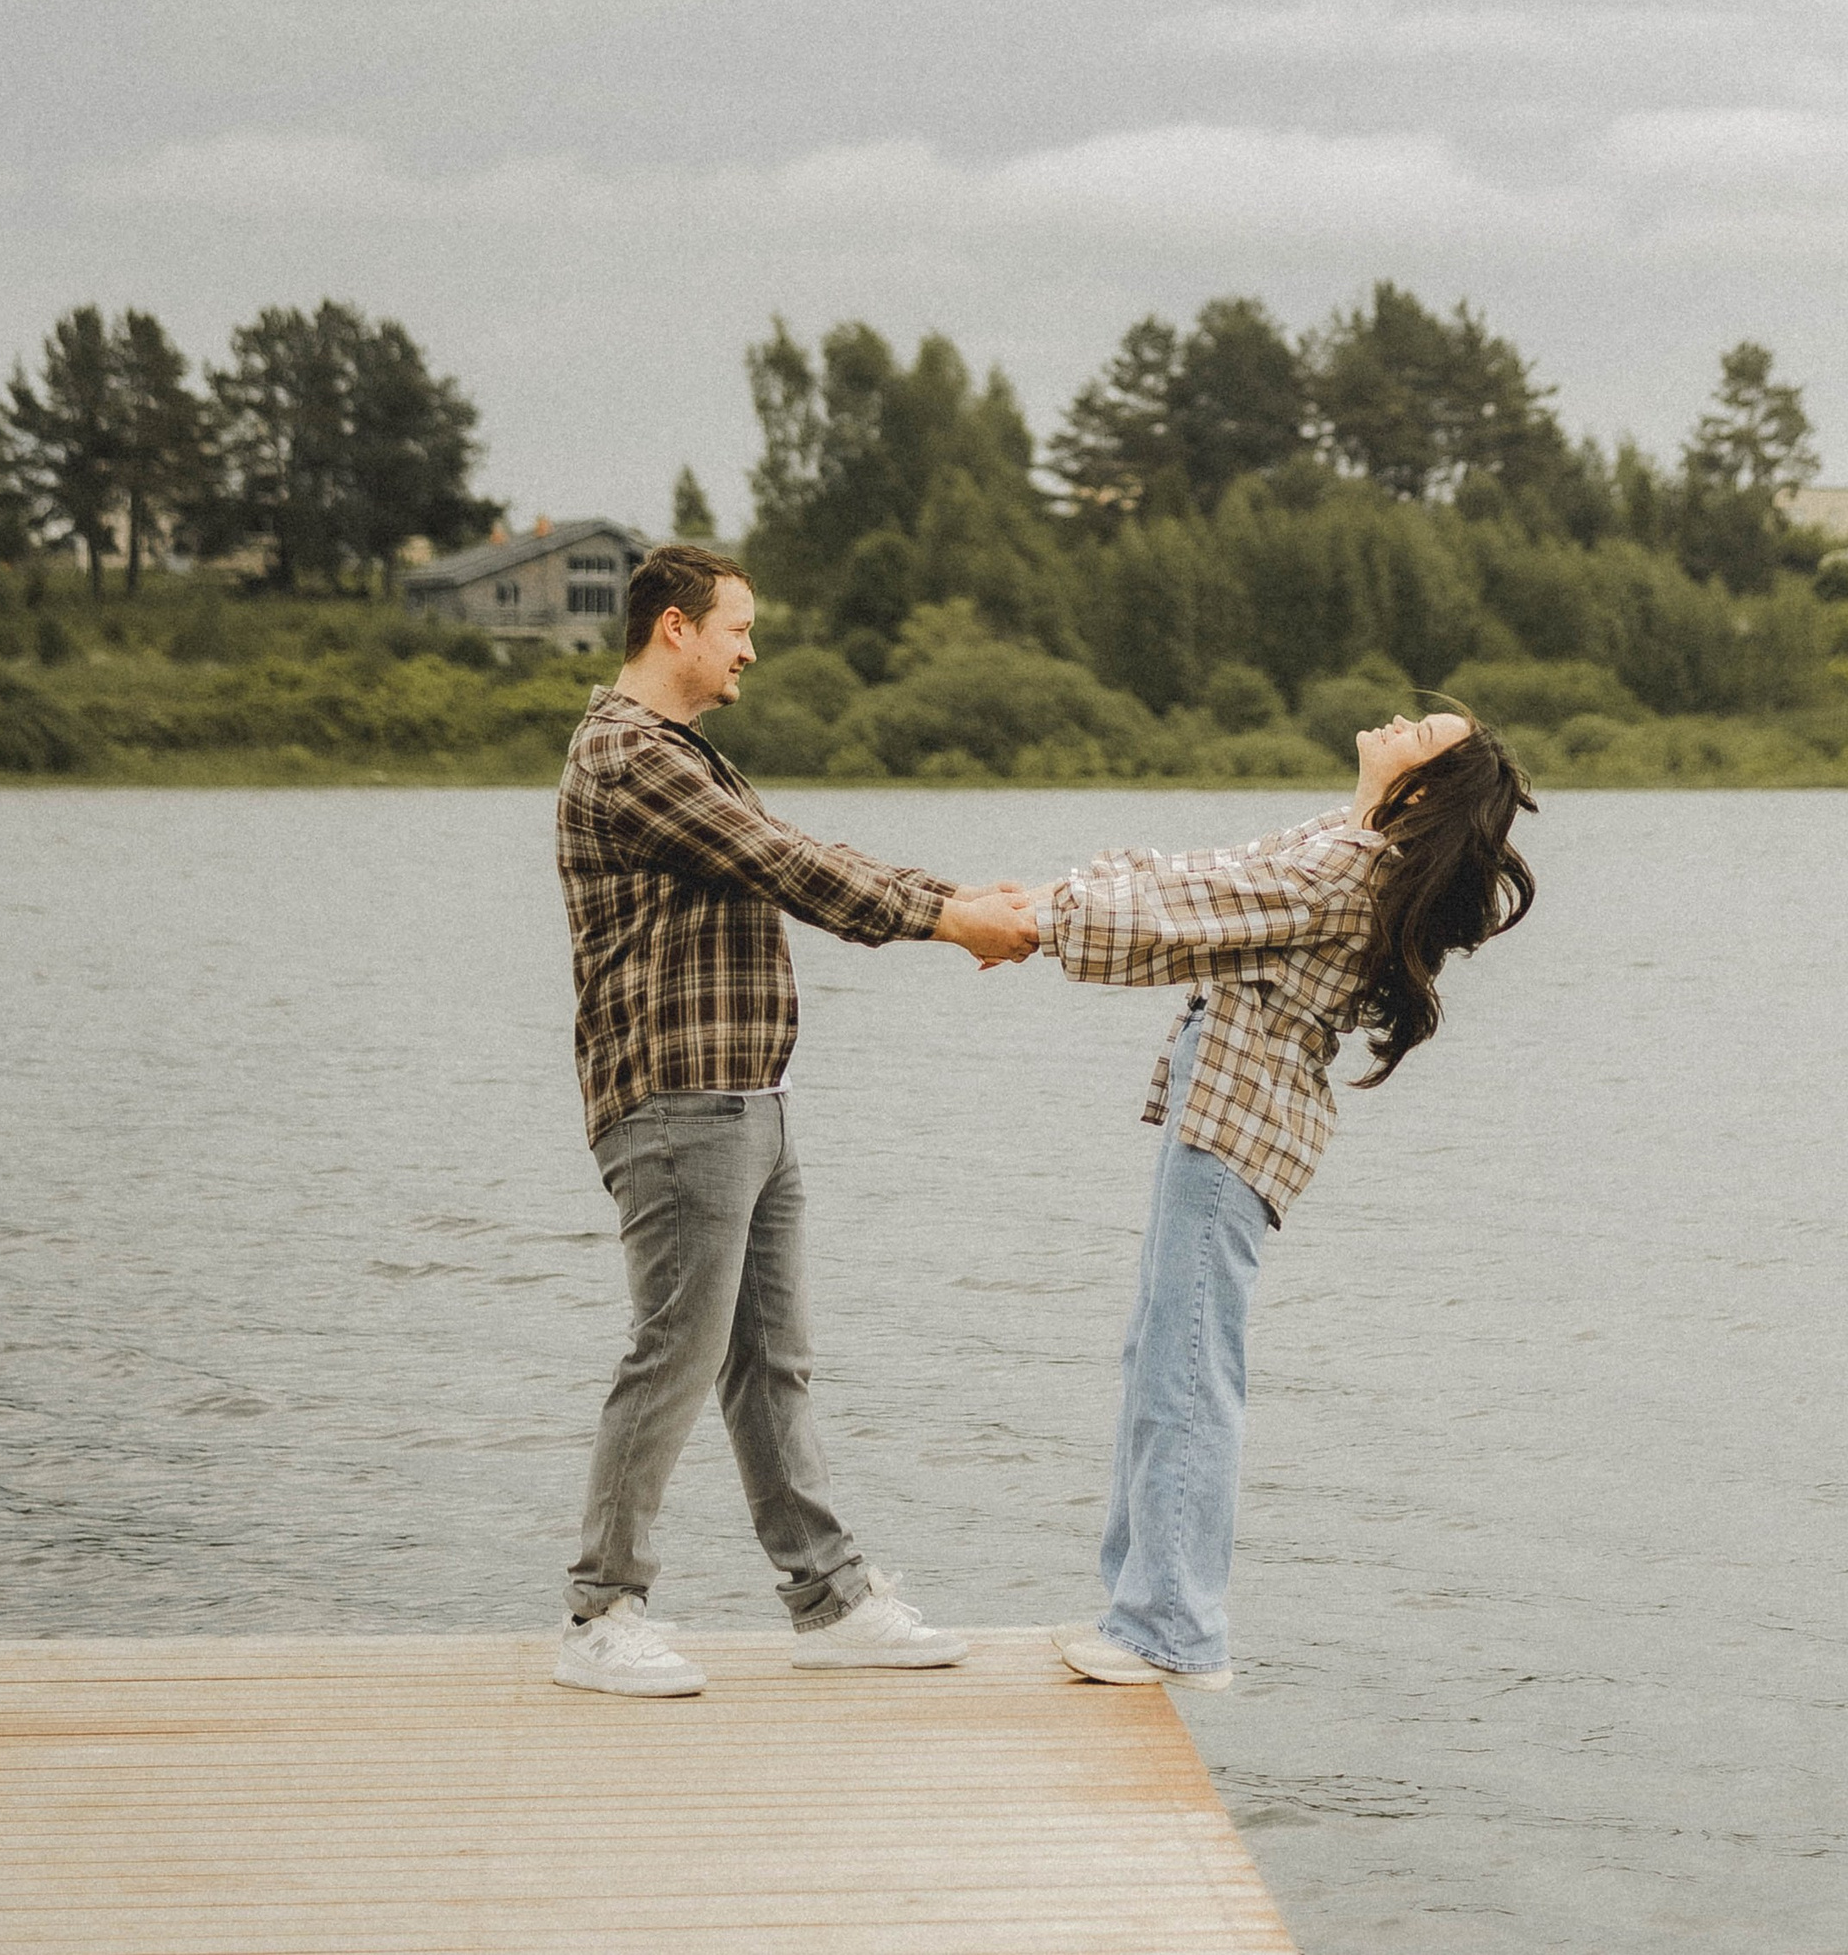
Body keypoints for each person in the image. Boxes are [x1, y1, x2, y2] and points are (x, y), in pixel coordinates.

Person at [554, 539, 1037, 1699]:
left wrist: (954, 897)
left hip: (747, 1098)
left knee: (770, 1362)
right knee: (672, 1353)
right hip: (678, 1101)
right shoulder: (628, 754)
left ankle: (827, 1600)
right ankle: (600, 1613)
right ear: (676, 627)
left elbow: (804, 851)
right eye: (736, 628)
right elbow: (783, 863)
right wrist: (946, 921)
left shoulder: (680, 753)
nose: (749, 650)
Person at [1014, 707, 1535, 1692]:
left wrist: (1038, 919)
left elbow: (1194, 904)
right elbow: (1201, 875)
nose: (1399, 714)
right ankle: (1139, 1602)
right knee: (1157, 1352)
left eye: (1424, 723)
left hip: (1237, 1119)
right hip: (1224, 1107)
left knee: (1187, 1367)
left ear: (1426, 782)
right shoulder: (1344, 841)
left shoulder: (1351, 867)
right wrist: (1048, 898)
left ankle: (1170, 1627)